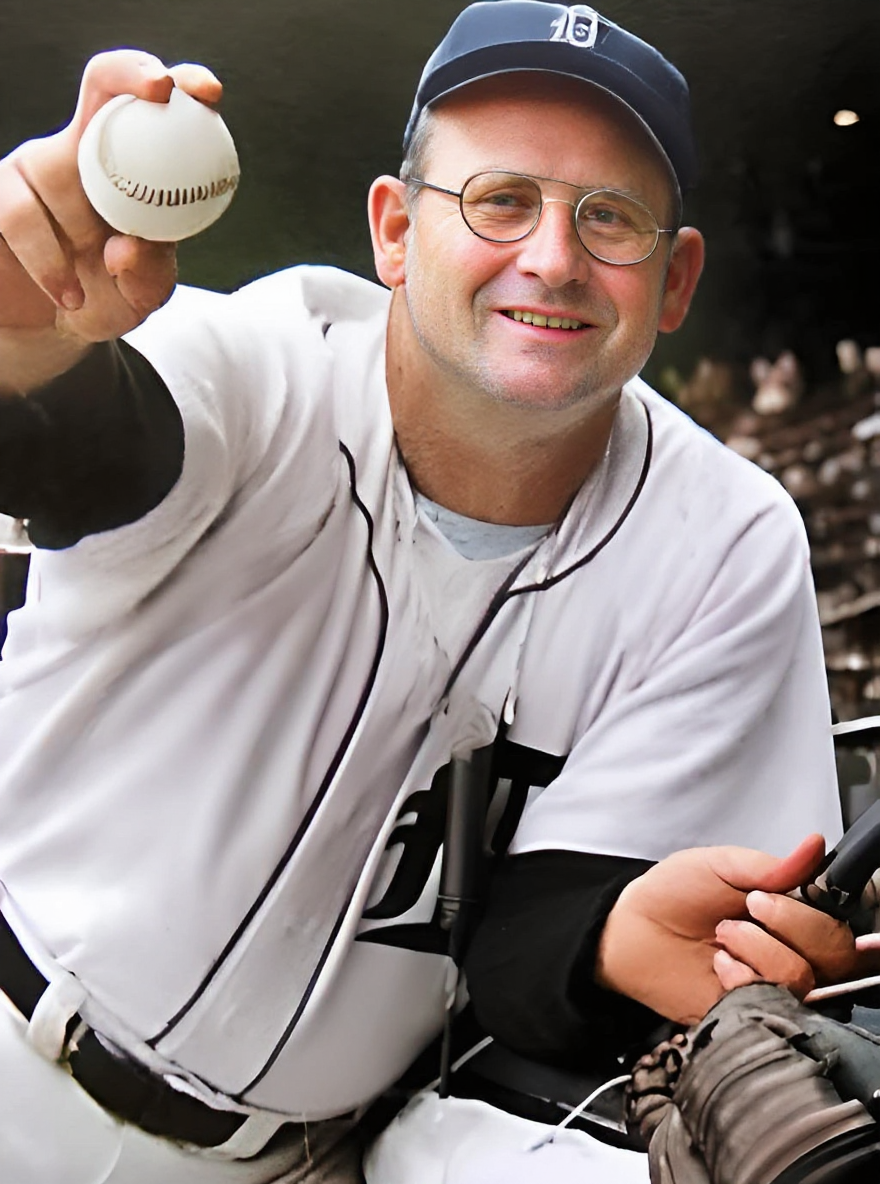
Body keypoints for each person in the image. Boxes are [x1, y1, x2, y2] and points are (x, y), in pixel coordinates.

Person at [0, 3, 876, 1182]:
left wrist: (609, 936)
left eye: (608, 219)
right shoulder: (262, 365)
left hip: (291, 1161)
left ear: (675, 282)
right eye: (500, 200)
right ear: (396, 232)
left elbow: (541, 918)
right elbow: (78, 443)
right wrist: (22, 345)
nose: (554, 258)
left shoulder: (722, 538)